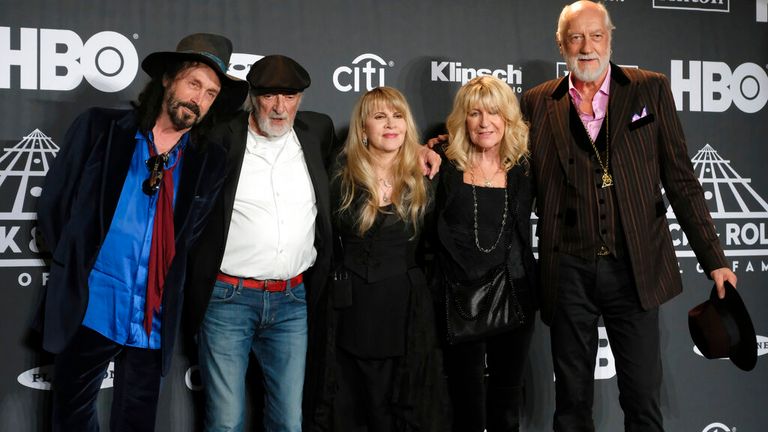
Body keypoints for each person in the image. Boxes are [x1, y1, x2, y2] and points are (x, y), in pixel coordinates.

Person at [519, 2, 737, 431]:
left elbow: (681, 179)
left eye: (596, 35)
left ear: (610, 38)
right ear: (561, 43)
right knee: (571, 403)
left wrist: (715, 259)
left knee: (641, 400)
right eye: (576, 37)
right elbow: (501, 163)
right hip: (567, 273)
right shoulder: (535, 103)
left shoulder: (649, 89)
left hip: (635, 269)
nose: (587, 47)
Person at [34, 33, 248, 431]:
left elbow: (192, 237)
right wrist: (79, 264)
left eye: (210, 93)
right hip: (91, 303)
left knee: (137, 421)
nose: (198, 99)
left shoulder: (210, 162)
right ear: (168, 79)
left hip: (152, 314)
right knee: (71, 416)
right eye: (193, 83)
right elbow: (56, 206)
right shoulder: (101, 128)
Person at [183, 55, 337, 432]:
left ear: (301, 98)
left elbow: (366, 156)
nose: (280, 107)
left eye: (290, 95)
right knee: (225, 421)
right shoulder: (221, 136)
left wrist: (425, 148)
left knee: (288, 420)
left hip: (292, 301)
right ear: (253, 95)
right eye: (269, 95)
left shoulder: (317, 131)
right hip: (228, 299)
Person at [310, 86, 448, 432]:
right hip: (349, 310)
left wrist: (421, 150)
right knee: (352, 405)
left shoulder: (425, 177)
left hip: (405, 311)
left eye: (398, 116)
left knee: (400, 404)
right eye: (380, 116)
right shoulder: (339, 176)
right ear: (362, 128)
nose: (391, 125)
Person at [434, 75, 537, 432]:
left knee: (507, 402)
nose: (484, 122)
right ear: (463, 119)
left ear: (507, 118)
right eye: (475, 113)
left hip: (516, 292)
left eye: (493, 113)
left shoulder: (525, 169)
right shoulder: (444, 166)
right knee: (465, 403)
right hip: (459, 297)